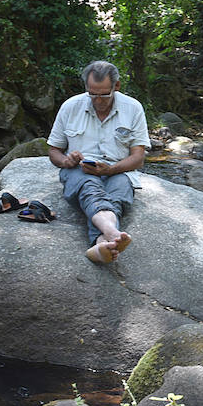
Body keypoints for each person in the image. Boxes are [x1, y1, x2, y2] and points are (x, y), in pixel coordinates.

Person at [47, 61, 151, 264]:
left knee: (119, 192)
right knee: (90, 186)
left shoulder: (133, 108)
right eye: (92, 94)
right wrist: (67, 161)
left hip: (119, 169)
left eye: (104, 94)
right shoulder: (70, 106)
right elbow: (53, 151)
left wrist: (111, 170)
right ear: (86, 87)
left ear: (117, 86)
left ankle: (100, 242)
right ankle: (112, 233)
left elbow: (138, 158)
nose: (98, 101)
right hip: (80, 170)